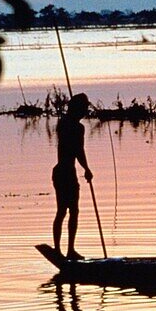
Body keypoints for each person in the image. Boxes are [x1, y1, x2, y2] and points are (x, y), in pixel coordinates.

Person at [52, 92, 93, 260]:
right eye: (83, 108)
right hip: (62, 172)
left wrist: (85, 168)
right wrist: (87, 168)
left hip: (70, 172)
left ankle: (70, 250)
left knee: (74, 211)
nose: (85, 112)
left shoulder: (77, 127)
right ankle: (57, 249)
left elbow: (79, 150)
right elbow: (76, 150)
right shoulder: (66, 124)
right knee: (62, 211)